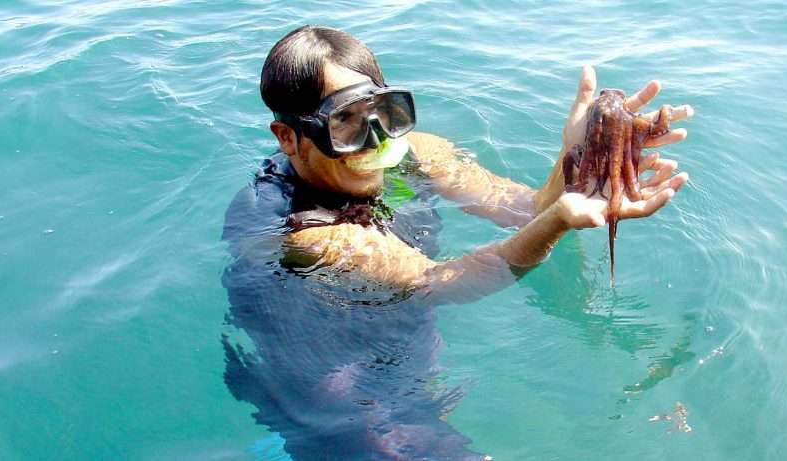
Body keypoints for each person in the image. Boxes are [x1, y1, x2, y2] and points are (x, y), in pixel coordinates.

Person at [221, 25, 692, 460]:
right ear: (288, 137)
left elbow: (522, 208)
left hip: (405, 344)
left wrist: (578, 156)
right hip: (335, 386)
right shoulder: (297, 228)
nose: (374, 141)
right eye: (345, 123)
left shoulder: (415, 156)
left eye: (382, 112)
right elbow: (437, 281)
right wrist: (557, 223)